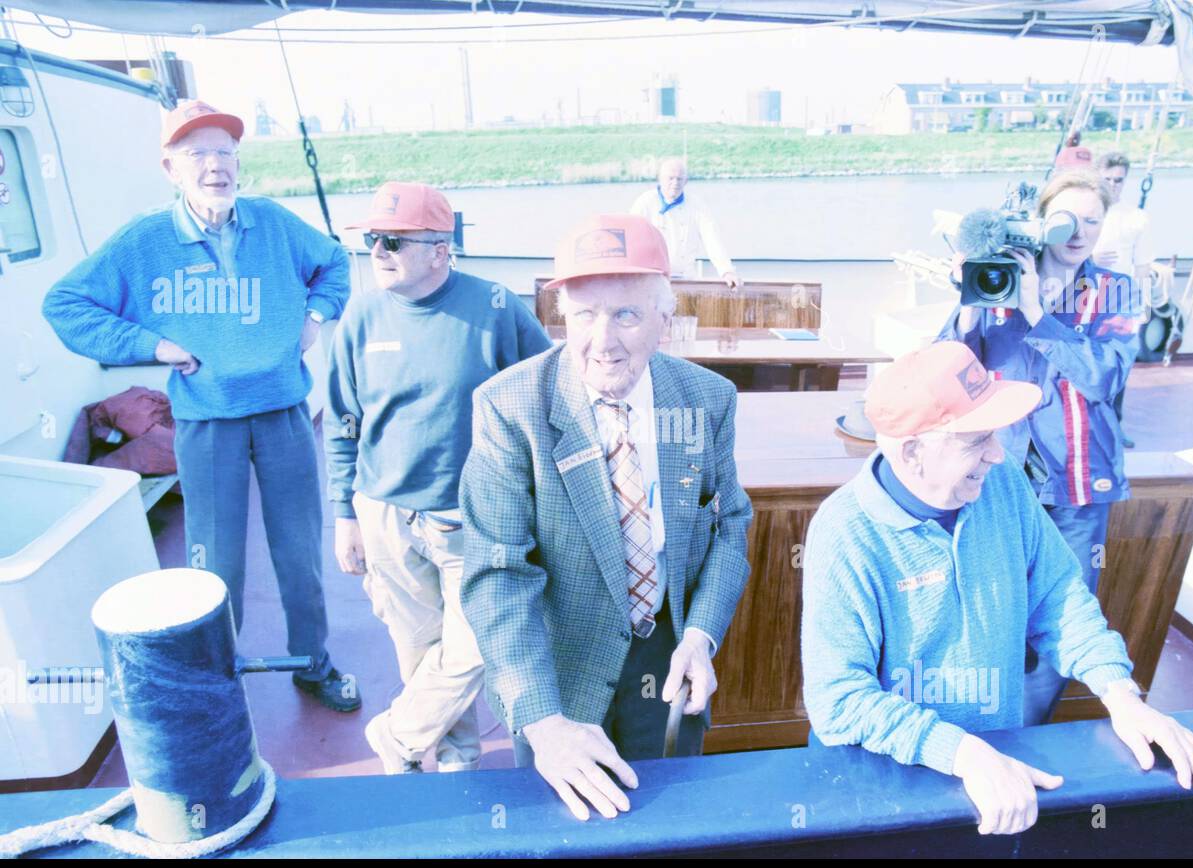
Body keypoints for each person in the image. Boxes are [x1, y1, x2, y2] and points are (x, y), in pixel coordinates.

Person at [800, 341, 1193, 836]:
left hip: (995, 757)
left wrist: (1121, 693)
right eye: (977, 440)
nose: (998, 454)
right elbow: (839, 700)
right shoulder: (844, 532)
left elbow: (1058, 596)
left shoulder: (1002, 487)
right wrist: (962, 752)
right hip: (883, 779)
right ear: (912, 452)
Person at [43, 100, 357, 711]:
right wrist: (149, 344)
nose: (215, 166)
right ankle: (216, 673)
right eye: (198, 155)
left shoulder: (272, 222)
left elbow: (335, 263)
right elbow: (67, 304)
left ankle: (314, 663)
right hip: (205, 421)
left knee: (299, 551)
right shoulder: (145, 240)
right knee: (213, 560)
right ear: (170, 168)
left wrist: (315, 316)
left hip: (284, 414)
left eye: (225, 153)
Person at [458, 213, 752, 820]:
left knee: (673, 821)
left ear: (665, 321)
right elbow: (498, 575)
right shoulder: (509, 409)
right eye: (585, 314)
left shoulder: (707, 399)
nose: (602, 339)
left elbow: (728, 528)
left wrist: (701, 633)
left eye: (627, 314)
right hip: (558, 671)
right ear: (561, 314)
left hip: (667, 663)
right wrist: (542, 721)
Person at [325, 182, 553, 773]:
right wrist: (344, 515)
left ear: (439, 249)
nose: (378, 251)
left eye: (393, 241)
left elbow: (549, 393)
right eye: (372, 240)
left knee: (475, 641)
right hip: (385, 518)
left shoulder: (497, 309)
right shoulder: (359, 316)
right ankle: (455, 767)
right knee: (420, 653)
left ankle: (397, 736)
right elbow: (342, 423)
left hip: (474, 518)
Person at [939, 168, 1142, 724]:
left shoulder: (1117, 291)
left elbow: (1103, 378)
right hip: (998, 477)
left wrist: (1036, 311)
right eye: (1066, 220)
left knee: (1066, 611)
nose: (1079, 233)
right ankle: (976, 728)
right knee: (988, 609)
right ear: (1041, 222)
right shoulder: (995, 278)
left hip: (1078, 484)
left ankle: (1019, 738)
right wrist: (969, 306)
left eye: (1093, 221)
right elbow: (947, 369)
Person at [1093, 151, 1155, 449]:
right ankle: (1088, 428)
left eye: (1119, 180)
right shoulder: (1083, 214)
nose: (1113, 186)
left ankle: (1113, 427)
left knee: (1119, 367)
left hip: (1121, 303)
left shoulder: (1137, 218)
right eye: (1107, 179)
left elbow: (1142, 265)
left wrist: (1141, 307)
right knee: (1088, 366)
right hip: (1084, 302)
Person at [629, 157, 742, 289]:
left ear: (686, 181)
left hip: (687, 278)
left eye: (679, 179)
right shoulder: (645, 202)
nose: (675, 183)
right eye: (670, 178)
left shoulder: (697, 205)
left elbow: (712, 238)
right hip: (654, 279)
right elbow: (631, 239)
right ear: (660, 179)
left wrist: (726, 271)